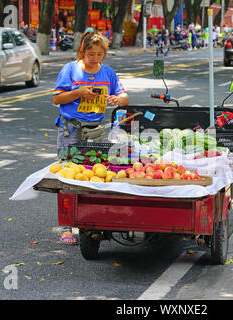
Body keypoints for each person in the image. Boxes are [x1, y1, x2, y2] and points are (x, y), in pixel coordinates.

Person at [52, 31, 129, 245]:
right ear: (82, 51)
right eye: (90, 54)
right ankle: (66, 228)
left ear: (104, 54)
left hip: (95, 131)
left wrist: (117, 99)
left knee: (95, 174)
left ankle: (92, 220)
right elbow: (56, 98)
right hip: (71, 129)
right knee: (68, 175)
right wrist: (78, 93)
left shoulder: (108, 73)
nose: (94, 58)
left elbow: (124, 97)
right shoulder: (71, 69)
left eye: (99, 54)